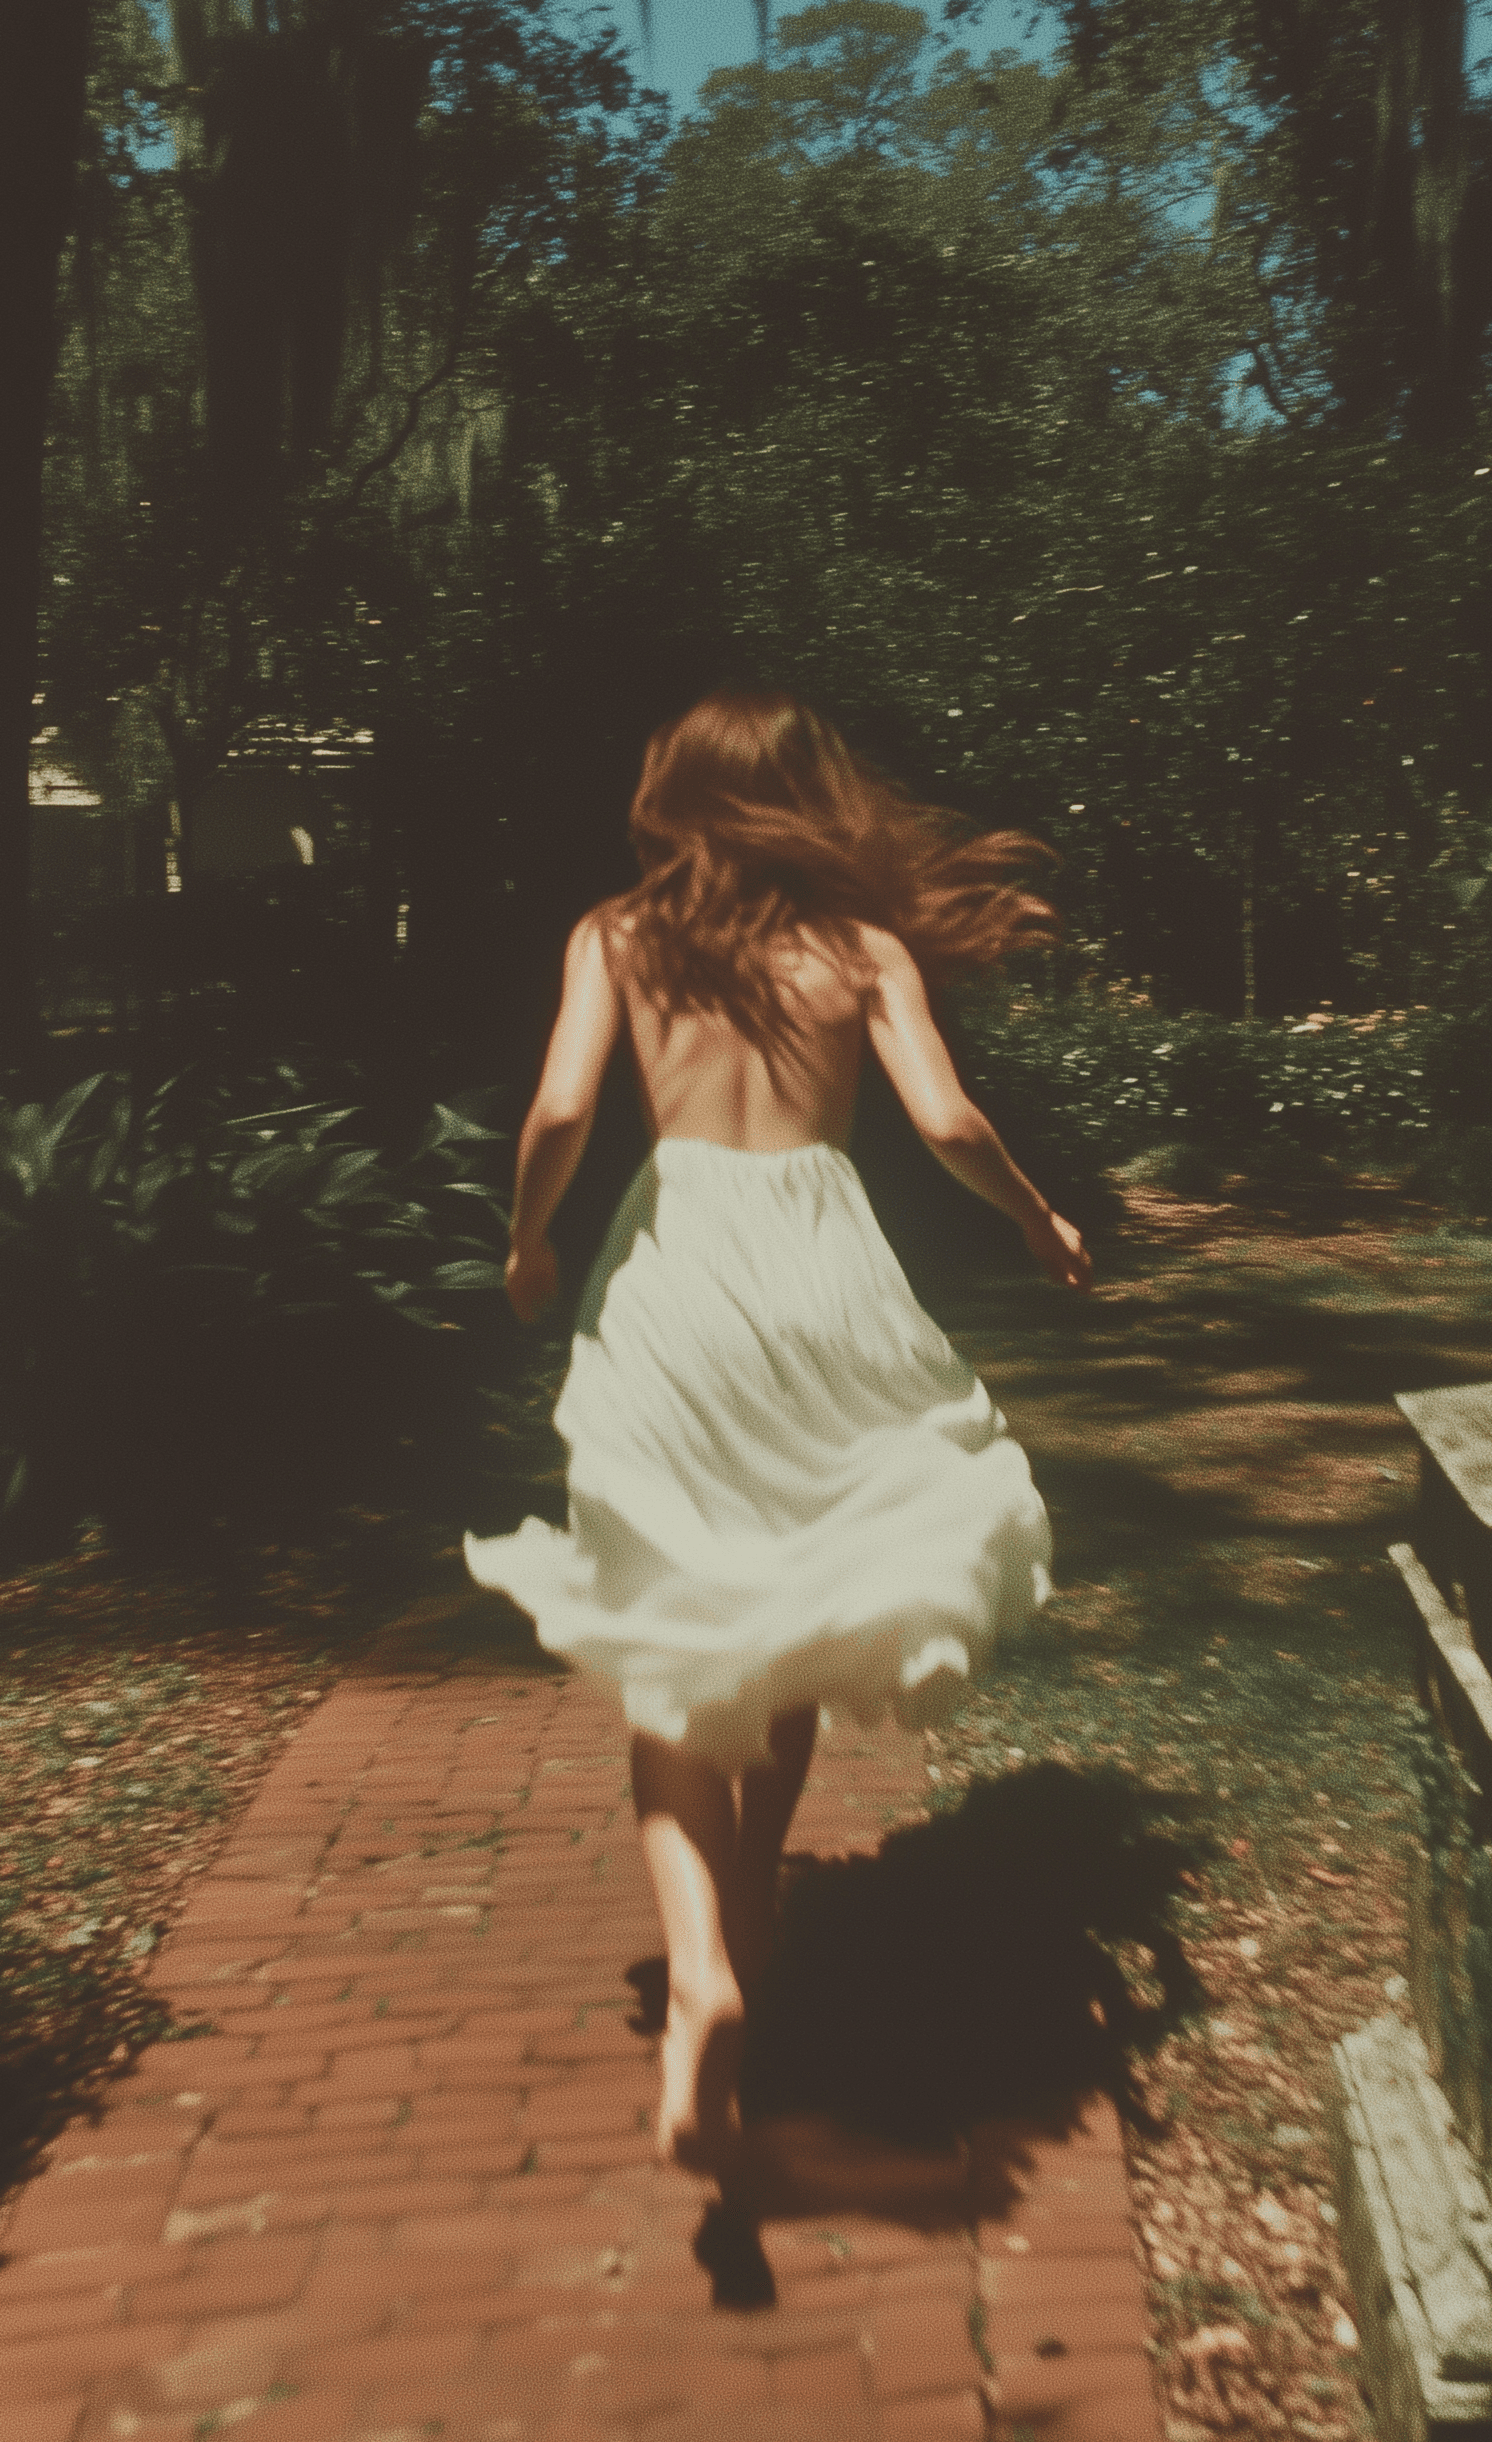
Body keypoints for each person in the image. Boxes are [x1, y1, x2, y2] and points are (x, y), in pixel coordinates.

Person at [464, 690, 1091, 2169]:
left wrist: (528, 1244)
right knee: (803, 1582)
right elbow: (943, 1123)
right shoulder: (861, 951)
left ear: (678, 800)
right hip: (824, 1270)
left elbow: (561, 1109)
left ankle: (703, 1976)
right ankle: (751, 1919)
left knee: (678, 1619)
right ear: (809, 802)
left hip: (680, 1264)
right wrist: (1041, 1216)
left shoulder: (616, 937)